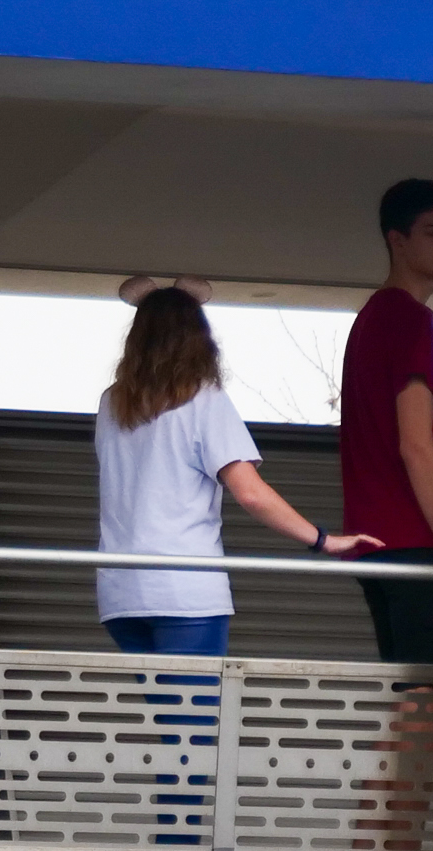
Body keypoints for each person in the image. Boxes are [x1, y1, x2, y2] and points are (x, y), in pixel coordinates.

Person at [92, 278, 372, 657]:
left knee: (165, 714)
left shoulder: (112, 405)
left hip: (120, 594)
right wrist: (323, 539)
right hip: (185, 592)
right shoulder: (204, 401)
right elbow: (251, 493)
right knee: (196, 716)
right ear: (198, 339)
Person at [337, 177, 433, 663]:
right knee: (431, 700)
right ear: (396, 240)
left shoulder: (369, 320)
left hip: (376, 547)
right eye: (432, 232)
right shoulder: (410, 320)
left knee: (418, 699)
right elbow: (416, 446)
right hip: (417, 543)